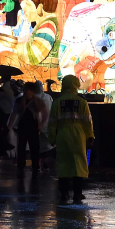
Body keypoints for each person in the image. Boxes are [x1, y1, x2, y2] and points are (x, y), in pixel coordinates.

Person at [48, 75, 93, 204]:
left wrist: (52, 138)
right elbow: (88, 122)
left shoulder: (57, 102)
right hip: (79, 135)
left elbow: (52, 123)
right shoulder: (82, 102)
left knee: (63, 163)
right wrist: (90, 136)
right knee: (78, 164)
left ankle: (64, 193)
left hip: (62, 135)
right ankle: (78, 194)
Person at [9, 82, 47, 178]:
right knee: (21, 146)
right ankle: (21, 164)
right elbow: (14, 114)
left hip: (33, 126)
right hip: (22, 126)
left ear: (32, 91)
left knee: (34, 146)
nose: (25, 91)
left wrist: (41, 124)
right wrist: (9, 126)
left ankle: (35, 165)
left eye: (27, 89)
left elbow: (45, 113)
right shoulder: (20, 101)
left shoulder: (37, 101)